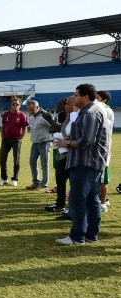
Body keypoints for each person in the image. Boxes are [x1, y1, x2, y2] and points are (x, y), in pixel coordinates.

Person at [55, 83, 108, 245]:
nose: (74, 98)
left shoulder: (90, 113)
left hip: (85, 163)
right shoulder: (89, 111)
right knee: (92, 200)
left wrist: (67, 142)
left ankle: (77, 236)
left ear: (85, 97)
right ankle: (91, 234)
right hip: (90, 162)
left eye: (76, 95)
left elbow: (87, 140)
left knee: (77, 200)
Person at [46, 96, 78, 213]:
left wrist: (66, 140)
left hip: (72, 154)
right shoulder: (69, 115)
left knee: (73, 181)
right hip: (63, 152)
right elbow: (59, 129)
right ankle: (60, 204)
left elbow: (76, 135)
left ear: (75, 104)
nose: (65, 106)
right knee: (60, 179)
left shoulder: (77, 116)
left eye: (67, 104)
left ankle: (73, 209)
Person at [0, 97, 29, 187]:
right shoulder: (6, 114)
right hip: (5, 140)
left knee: (16, 160)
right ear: (11, 105)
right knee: (2, 160)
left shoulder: (22, 115)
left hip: (16, 140)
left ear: (20, 105)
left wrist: (20, 138)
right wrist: (2, 137)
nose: (15, 106)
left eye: (17, 104)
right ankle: (4, 178)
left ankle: (15, 179)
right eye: (13, 104)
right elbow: (2, 127)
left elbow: (25, 128)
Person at [26, 100, 53, 190]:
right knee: (32, 162)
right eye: (29, 110)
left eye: (32, 109)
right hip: (35, 143)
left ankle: (44, 184)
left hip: (45, 143)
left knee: (44, 164)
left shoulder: (45, 115)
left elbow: (53, 127)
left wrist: (50, 139)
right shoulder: (32, 116)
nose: (30, 111)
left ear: (38, 107)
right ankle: (36, 182)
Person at [96, 91, 114, 212]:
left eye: (97, 97)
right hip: (100, 149)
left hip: (103, 149)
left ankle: (103, 202)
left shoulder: (106, 110)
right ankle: (102, 199)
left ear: (104, 100)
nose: (95, 99)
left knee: (102, 178)